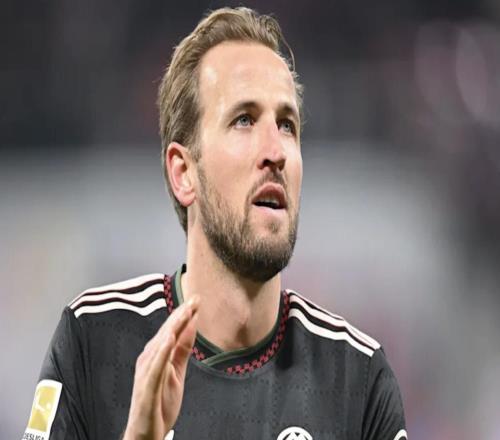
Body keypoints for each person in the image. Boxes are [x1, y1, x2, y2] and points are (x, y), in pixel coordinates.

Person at [23, 7, 407, 440]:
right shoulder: (93, 341)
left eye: (287, 125)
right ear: (183, 173)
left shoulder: (358, 380)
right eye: (244, 120)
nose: (276, 151)